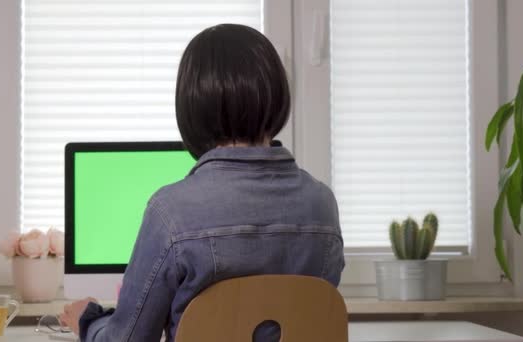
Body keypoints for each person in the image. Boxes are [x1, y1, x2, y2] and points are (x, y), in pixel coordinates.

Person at [59, 23, 344, 342]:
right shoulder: (322, 205)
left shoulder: (172, 212)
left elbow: (127, 340)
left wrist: (88, 319)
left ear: (192, 106)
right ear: (277, 96)